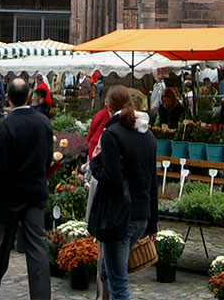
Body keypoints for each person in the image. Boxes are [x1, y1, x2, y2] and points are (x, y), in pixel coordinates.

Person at [0, 76, 54, 300]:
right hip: (33, 194)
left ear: (7, 98)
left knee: (2, 247)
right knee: (37, 249)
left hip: (9, 197)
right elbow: (47, 159)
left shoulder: (6, 124)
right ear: (29, 96)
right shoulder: (43, 122)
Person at [89, 84, 157, 300]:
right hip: (141, 214)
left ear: (108, 106)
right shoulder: (147, 135)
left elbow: (113, 178)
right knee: (107, 272)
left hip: (120, 216)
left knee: (118, 283)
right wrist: (153, 223)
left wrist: (94, 163)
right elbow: (152, 181)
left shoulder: (112, 134)